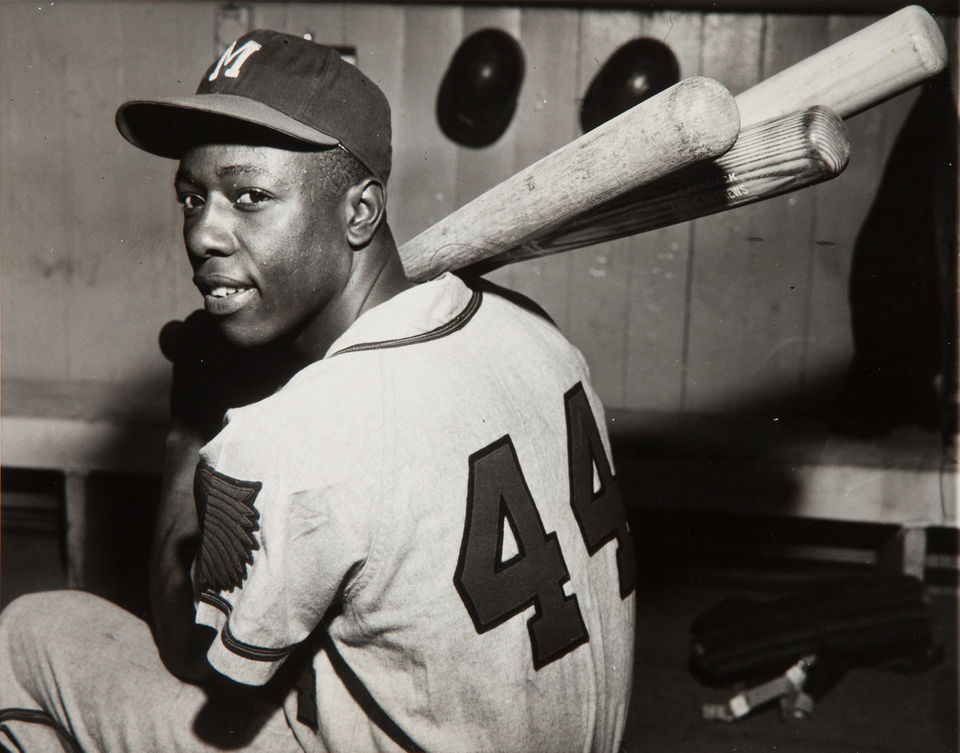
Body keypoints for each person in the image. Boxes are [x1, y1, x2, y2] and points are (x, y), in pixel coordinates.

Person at [0, 30, 636, 752]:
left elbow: (189, 654)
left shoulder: (292, 433)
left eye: (250, 197)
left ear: (360, 213)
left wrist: (189, 427)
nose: (204, 233)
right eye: (192, 196)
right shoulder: (536, 332)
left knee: (26, 636)